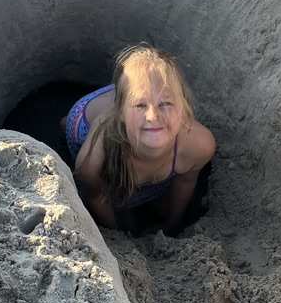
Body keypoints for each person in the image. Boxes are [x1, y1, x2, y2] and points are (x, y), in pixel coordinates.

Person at [61, 44, 215, 235]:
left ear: (182, 107)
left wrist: (173, 226)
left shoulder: (198, 145)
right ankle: (63, 122)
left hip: (129, 99)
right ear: (120, 114)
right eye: (141, 105)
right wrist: (119, 234)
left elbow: (185, 182)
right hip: (85, 121)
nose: (153, 115)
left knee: (155, 209)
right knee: (122, 209)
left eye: (166, 103)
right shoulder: (95, 158)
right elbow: (96, 197)